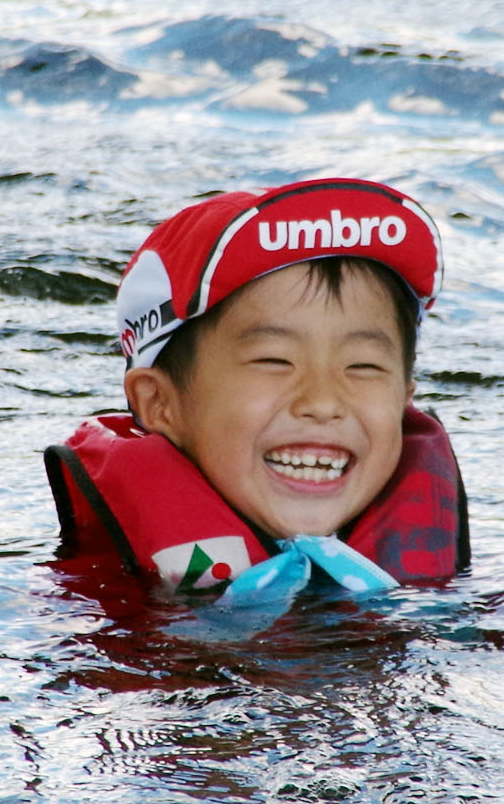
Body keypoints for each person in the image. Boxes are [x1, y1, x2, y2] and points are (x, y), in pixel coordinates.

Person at [45, 178, 469, 607]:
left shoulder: (462, 592)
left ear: (403, 399)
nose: (322, 403)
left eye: (364, 366)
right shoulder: (84, 609)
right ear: (160, 403)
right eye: (274, 361)